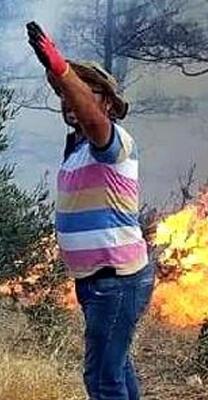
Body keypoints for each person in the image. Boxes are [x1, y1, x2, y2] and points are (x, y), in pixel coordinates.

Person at [26, 21, 154, 400]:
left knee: (101, 377)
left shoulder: (112, 140)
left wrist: (64, 72)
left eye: (81, 92)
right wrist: (55, 72)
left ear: (109, 103)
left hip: (116, 279)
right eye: (65, 94)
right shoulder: (79, 146)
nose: (69, 100)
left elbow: (93, 119)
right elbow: (78, 105)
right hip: (97, 279)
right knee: (116, 368)